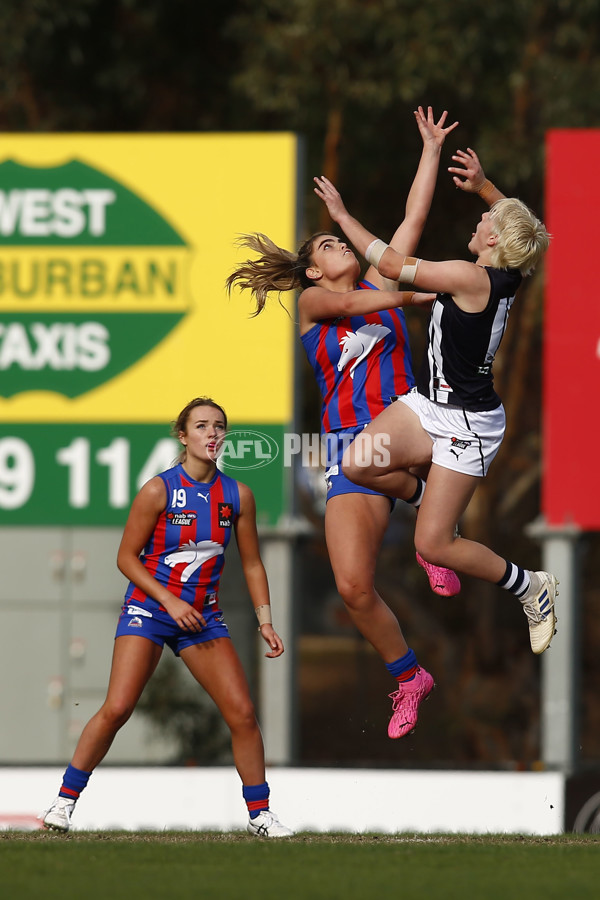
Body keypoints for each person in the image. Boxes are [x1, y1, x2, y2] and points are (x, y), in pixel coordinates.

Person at [227, 106, 461, 741]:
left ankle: (434, 534)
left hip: (405, 430)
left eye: (338, 239)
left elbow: (413, 217)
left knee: (418, 441)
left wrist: (431, 150)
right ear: (311, 272)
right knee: (353, 587)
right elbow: (358, 302)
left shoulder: (382, 276)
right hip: (346, 449)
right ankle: (409, 675)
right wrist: (413, 294)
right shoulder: (314, 303)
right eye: (329, 246)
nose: (339, 246)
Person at [313, 147, 557, 662]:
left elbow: (389, 262)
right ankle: (425, 495)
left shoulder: (470, 278)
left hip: (469, 425)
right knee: (357, 463)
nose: (480, 218)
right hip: (430, 404)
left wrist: (341, 218)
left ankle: (529, 586)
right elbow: (522, 231)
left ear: (493, 240)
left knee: (434, 546)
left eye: (485, 218)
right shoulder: (509, 269)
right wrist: (486, 187)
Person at [43, 397, 293, 838]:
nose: (212, 433)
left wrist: (265, 621)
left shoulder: (238, 495)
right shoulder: (158, 490)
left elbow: (253, 564)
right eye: (201, 426)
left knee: (242, 713)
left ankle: (260, 815)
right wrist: (171, 602)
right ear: (183, 435)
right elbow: (126, 557)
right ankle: (64, 802)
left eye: (219, 426)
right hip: (149, 609)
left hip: (204, 618)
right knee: (118, 707)